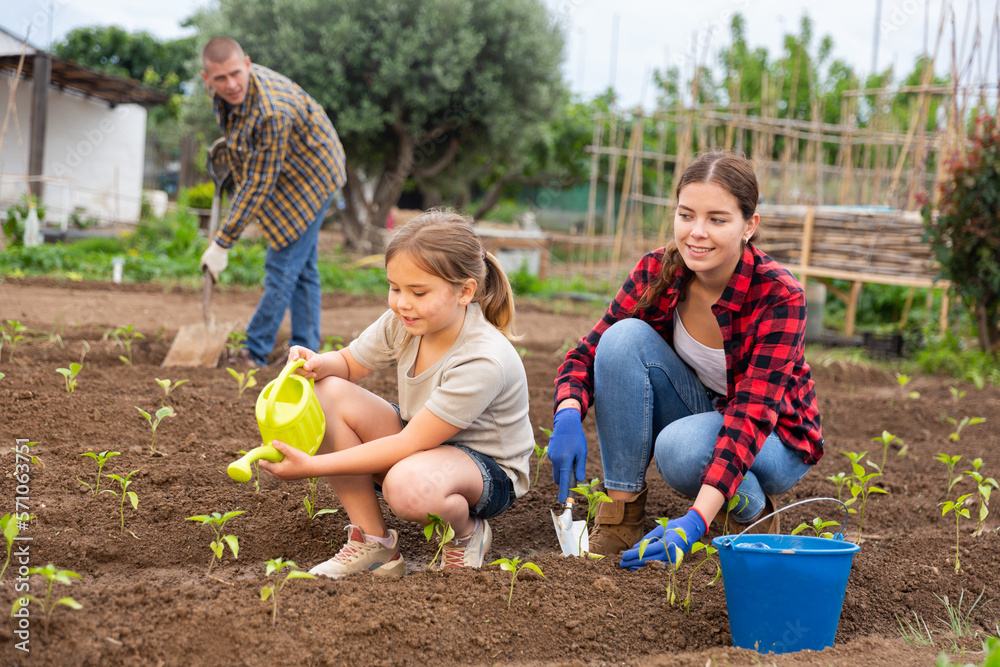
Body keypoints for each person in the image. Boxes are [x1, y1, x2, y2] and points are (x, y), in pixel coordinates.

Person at [548, 150, 824, 568]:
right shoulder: (658, 271)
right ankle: (622, 517)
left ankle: (752, 516)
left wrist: (695, 519)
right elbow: (589, 353)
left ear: (749, 226)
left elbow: (750, 415)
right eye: (686, 214)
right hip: (707, 409)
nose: (697, 232)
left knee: (681, 450)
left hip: (776, 439)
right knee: (623, 339)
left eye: (717, 219)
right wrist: (567, 412)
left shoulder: (779, 295)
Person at [259, 211, 534, 577]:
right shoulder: (405, 321)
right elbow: (348, 364)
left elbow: (408, 443)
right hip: (422, 446)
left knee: (406, 488)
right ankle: (374, 544)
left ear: (465, 292)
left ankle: (466, 533)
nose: (402, 302)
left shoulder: (483, 358)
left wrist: (311, 468)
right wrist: (315, 364)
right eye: (395, 287)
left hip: (486, 472)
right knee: (324, 393)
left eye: (418, 292)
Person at [199, 37, 347, 367]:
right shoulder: (224, 92)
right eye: (220, 78)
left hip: (311, 177)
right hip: (286, 172)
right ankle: (306, 352)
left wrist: (222, 244)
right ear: (206, 79)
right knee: (303, 269)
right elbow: (245, 136)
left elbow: (258, 184)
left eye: (236, 73)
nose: (231, 84)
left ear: (248, 64)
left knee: (282, 267)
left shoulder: (272, 112)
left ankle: (255, 350)